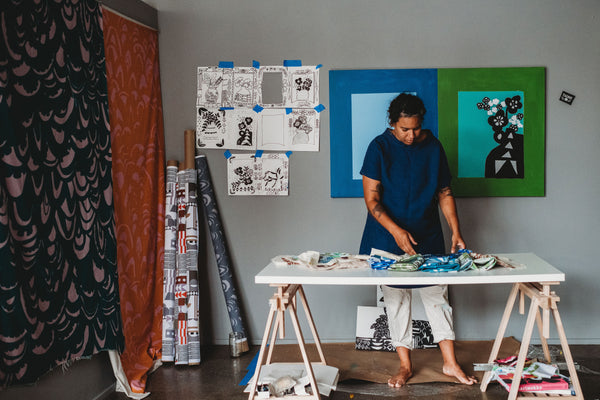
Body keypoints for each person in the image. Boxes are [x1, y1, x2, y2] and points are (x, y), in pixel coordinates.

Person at [359, 93, 477, 387]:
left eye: (415, 128)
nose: (411, 136)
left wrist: (456, 231)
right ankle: (404, 365)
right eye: (404, 130)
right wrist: (396, 231)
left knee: (437, 295)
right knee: (397, 299)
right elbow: (372, 200)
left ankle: (450, 363)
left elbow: (444, 193)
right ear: (392, 124)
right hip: (387, 234)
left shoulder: (433, 146)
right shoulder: (379, 147)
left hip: (427, 232)